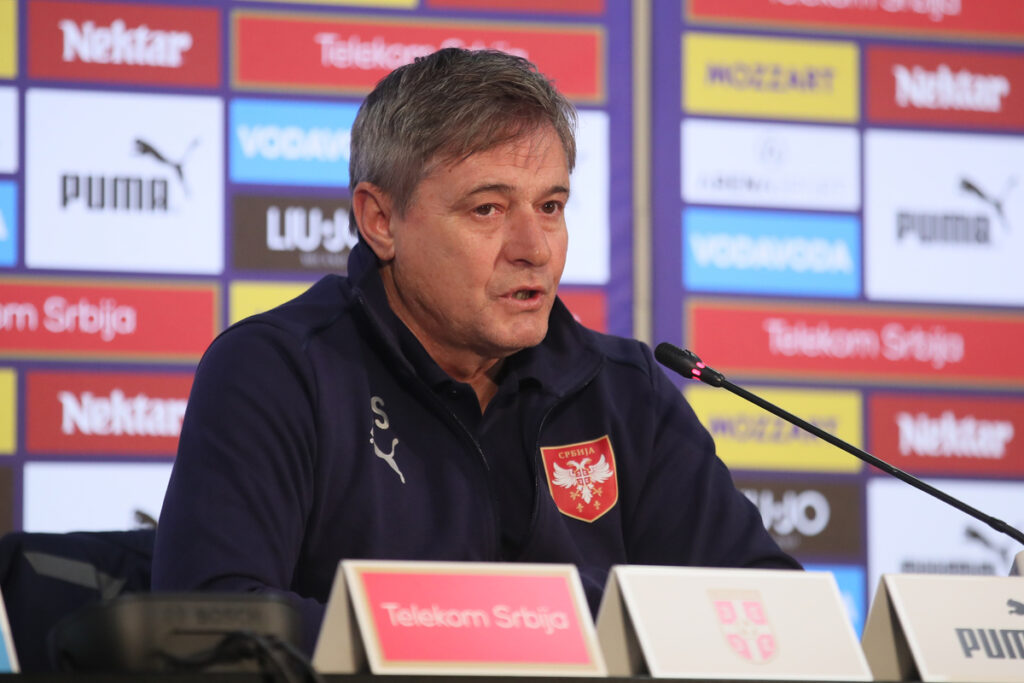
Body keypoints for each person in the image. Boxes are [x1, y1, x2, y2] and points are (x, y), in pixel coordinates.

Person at [152, 47, 799, 655]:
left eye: (550, 206)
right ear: (381, 221)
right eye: (488, 209)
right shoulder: (278, 371)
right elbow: (210, 623)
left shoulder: (627, 391)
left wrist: (530, 625)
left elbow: (771, 613)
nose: (534, 247)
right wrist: (493, 631)